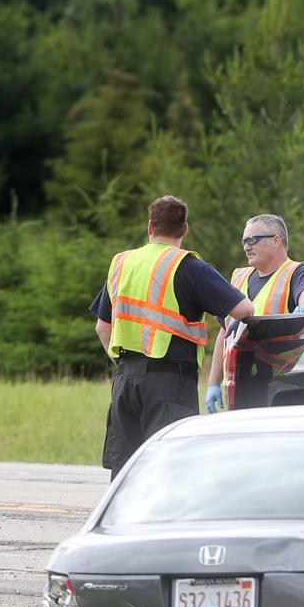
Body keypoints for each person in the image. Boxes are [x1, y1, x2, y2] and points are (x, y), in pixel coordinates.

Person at [92, 195, 254, 479]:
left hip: (126, 378)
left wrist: (124, 367)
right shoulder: (189, 266)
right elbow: (243, 309)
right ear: (185, 230)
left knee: (126, 473)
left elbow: (102, 328)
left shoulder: (121, 262)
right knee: (170, 469)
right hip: (170, 382)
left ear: (150, 226)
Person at [205, 214, 304, 413]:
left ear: (276, 240)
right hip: (240, 388)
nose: (246, 246)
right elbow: (224, 332)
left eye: (252, 240)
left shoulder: (299, 272)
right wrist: (213, 383)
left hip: (282, 389)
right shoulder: (239, 277)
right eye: (244, 241)